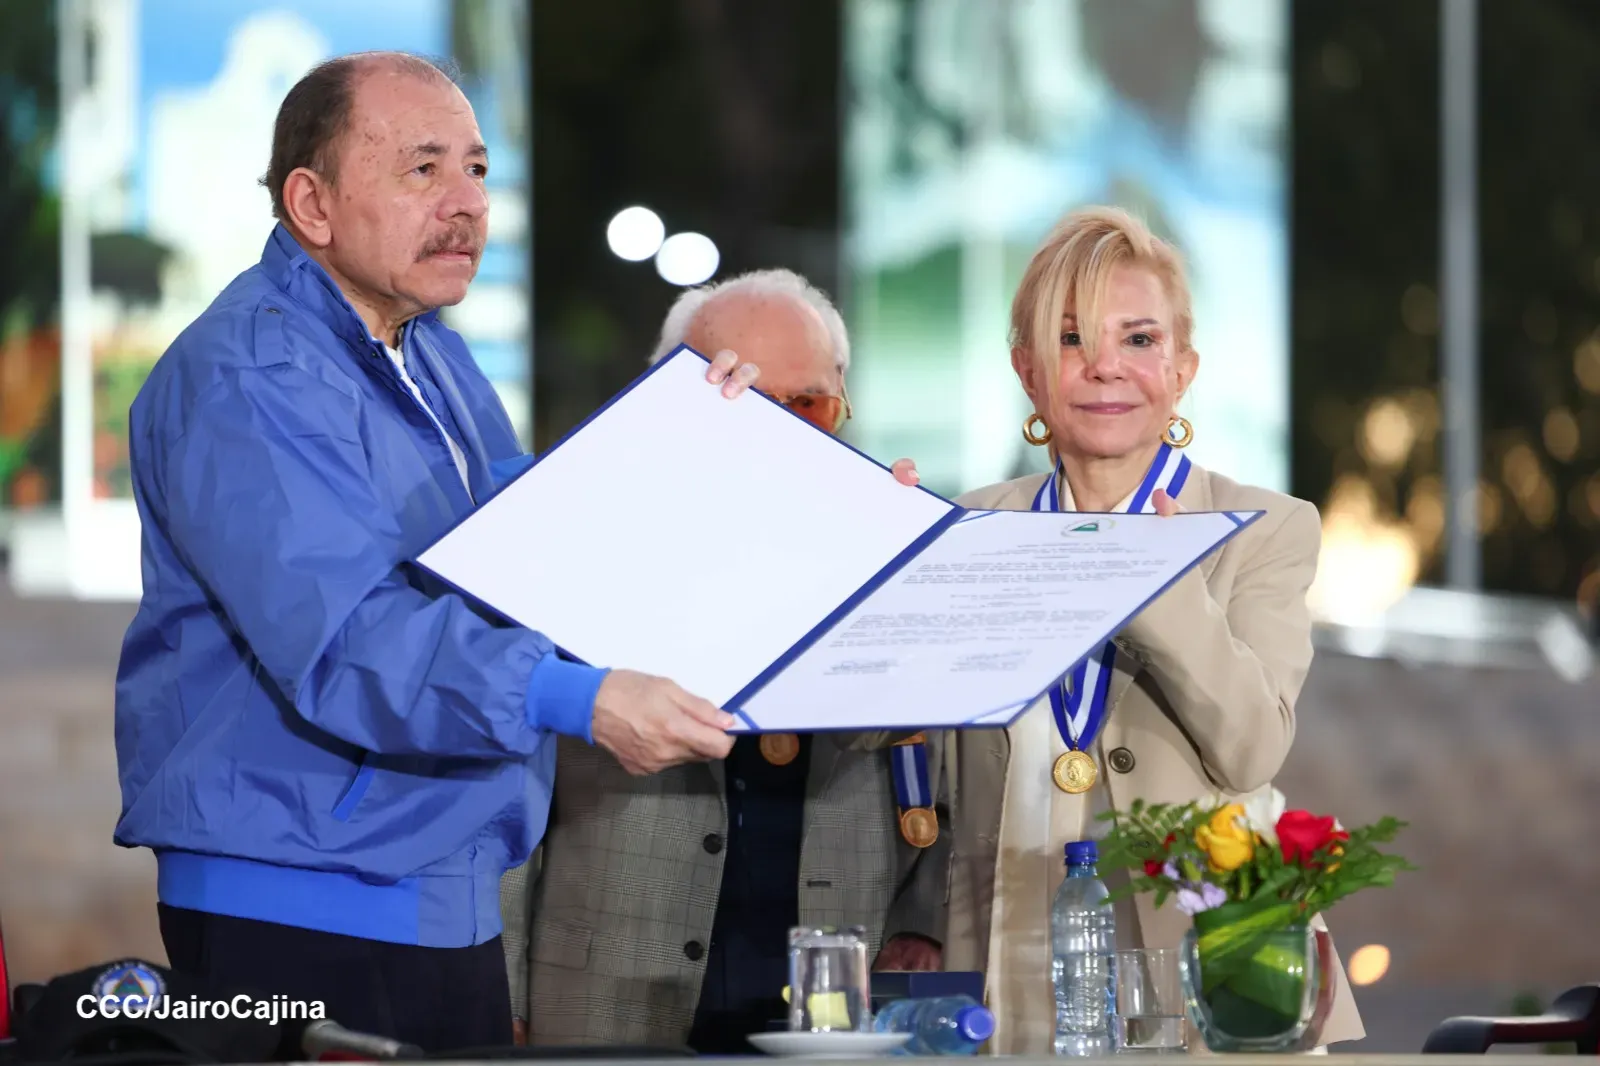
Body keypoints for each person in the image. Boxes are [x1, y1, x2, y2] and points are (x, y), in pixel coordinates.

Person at [112, 51, 769, 1054]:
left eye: (476, 169)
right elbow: (352, 639)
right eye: (423, 170)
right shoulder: (249, 372)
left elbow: (526, 540)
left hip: (435, 886)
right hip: (302, 902)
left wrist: (689, 449)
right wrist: (576, 697)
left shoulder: (429, 352)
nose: (465, 204)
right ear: (312, 203)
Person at [934, 206, 1365, 1053]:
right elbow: (902, 750)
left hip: (1209, 964)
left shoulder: (1265, 528)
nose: (1103, 367)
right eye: (1069, 339)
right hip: (1001, 952)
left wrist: (1160, 588)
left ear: (1182, 368)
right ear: (1027, 371)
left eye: (1138, 339)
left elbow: (1251, 749)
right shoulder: (961, 528)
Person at [501, 270, 945, 1052]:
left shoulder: (888, 538)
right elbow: (507, 779)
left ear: (842, 402)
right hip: (608, 998)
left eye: (806, 403)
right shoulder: (574, 535)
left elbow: (939, 766)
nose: (783, 431)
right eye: (739, 394)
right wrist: (496, 988)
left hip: (834, 1002)